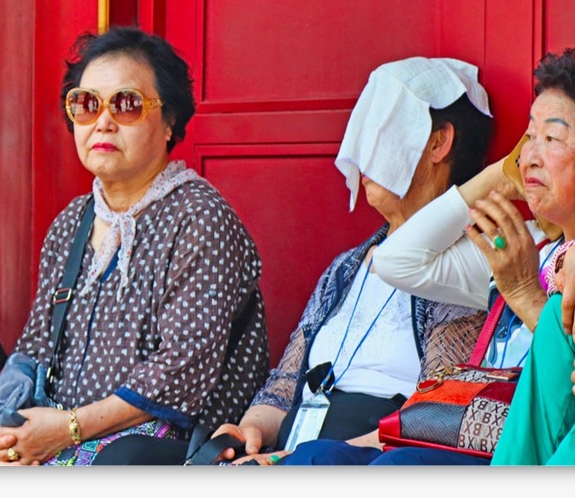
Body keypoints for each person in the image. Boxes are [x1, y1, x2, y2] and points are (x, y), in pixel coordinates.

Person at [293, 47, 575, 466]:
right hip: (467, 431)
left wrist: (525, 293)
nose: (530, 156)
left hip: (524, 450)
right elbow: (396, 260)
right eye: (528, 138)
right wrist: (500, 176)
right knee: (315, 458)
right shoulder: (526, 244)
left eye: (551, 138)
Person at [0, 27, 270, 466]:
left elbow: (181, 371)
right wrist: (1, 426)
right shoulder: (71, 223)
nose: (103, 121)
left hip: (160, 446)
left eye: (127, 104)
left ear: (169, 121)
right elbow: (36, 347)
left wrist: (67, 428)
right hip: (57, 436)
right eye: (86, 104)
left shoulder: (199, 216)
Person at [205, 57, 495, 466]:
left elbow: (436, 414)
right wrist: (249, 431)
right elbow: (283, 388)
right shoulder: (345, 268)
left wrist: (290, 459)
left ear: (438, 143)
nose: (362, 153)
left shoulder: (466, 265)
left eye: (382, 132)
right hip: (296, 455)